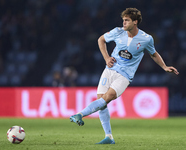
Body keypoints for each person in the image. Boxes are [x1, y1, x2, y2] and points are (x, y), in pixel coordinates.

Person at [70, 8, 179, 144]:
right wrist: (106, 58)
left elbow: (154, 53)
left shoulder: (146, 39)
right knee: (101, 103)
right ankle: (109, 137)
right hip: (109, 70)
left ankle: (80, 114)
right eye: (123, 20)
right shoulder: (118, 32)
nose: (124, 23)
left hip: (125, 75)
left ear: (135, 22)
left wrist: (164, 67)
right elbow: (101, 40)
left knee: (107, 98)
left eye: (127, 20)